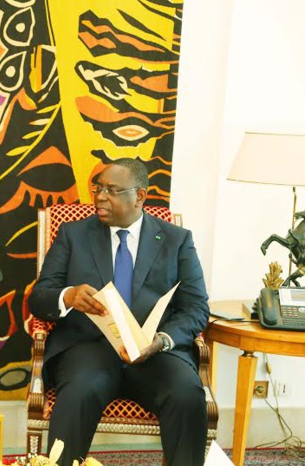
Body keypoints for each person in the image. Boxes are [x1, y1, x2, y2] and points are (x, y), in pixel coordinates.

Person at [28, 158, 209, 466]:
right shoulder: (73, 235)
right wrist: (68, 296)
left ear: (140, 196)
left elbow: (196, 307)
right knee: (79, 392)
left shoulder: (177, 240)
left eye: (111, 190)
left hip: (155, 352)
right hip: (89, 349)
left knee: (187, 394)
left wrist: (162, 340)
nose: (100, 197)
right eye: (98, 188)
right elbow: (39, 298)